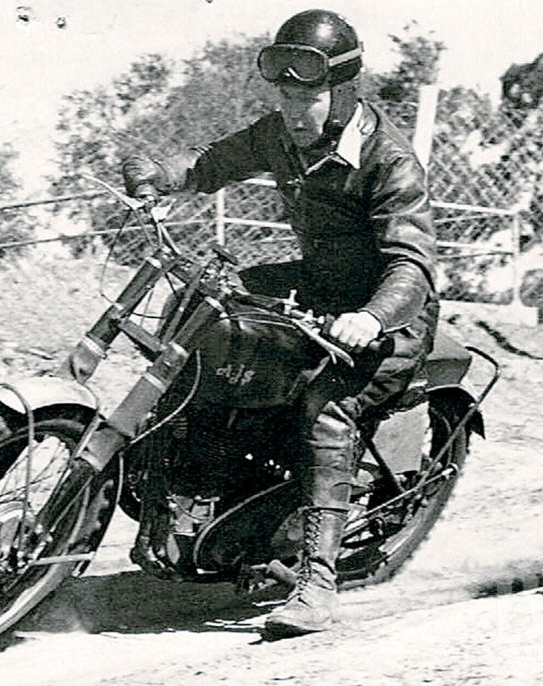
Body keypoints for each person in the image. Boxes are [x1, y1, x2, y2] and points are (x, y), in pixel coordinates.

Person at [121, 8, 438, 637]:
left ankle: (317, 582)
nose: (296, 111)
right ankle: (197, 489)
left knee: (325, 406)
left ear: (344, 91)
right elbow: (212, 163)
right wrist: (163, 174)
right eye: (286, 96)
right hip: (316, 288)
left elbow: (412, 265)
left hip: (387, 316)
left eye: (310, 97)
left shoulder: (389, 161)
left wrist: (370, 318)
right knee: (202, 314)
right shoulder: (281, 135)